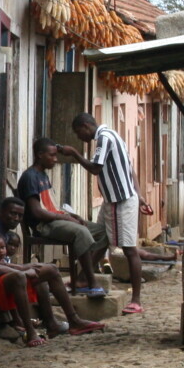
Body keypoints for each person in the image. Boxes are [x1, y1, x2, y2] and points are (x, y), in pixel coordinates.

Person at [0, 189, 101, 347]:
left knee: (51, 269)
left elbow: (1, 264)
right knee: (20, 276)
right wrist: (25, 271)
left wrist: (27, 266)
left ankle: (70, 321)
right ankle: (31, 333)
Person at [61, 113, 152, 315]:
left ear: (86, 126)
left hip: (121, 202)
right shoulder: (113, 134)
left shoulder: (104, 138)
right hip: (113, 200)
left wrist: (74, 153)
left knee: (129, 249)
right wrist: (139, 195)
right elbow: (130, 169)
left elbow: (95, 168)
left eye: (78, 133)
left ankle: (136, 300)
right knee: (101, 239)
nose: (79, 137)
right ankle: (83, 279)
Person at [16, 138, 108, 295]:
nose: (55, 159)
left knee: (104, 232)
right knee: (81, 232)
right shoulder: (30, 177)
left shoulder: (43, 175)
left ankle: (82, 278)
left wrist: (73, 215)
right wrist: (66, 219)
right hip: (43, 225)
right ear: (40, 155)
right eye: (51, 155)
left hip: (54, 220)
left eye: (55, 155)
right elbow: (38, 212)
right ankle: (92, 283)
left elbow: (51, 207)